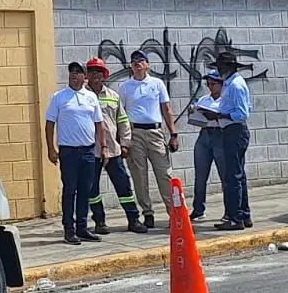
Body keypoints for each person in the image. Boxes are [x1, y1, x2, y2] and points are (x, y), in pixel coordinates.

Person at [85, 58, 146, 235]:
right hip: (91, 151)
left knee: (124, 186)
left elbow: (123, 121)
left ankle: (133, 219)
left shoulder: (113, 96)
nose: (95, 75)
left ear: (104, 75)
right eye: (92, 71)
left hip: (113, 150)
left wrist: (125, 143)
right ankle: (100, 222)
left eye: (98, 71)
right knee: (92, 189)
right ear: (87, 75)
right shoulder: (82, 97)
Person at [119, 51, 177, 229]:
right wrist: (123, 141)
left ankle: (173, 213)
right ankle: (147, 212)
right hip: (135, 132)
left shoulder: (157, 84)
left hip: (155, 132)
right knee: (139, 175)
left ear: (148, 65)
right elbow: (120, 114)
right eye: (134, 61)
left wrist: (173, 133)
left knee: (164, 173)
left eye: (141, 61)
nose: (137, 64)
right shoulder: (125, 87)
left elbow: (166, 108)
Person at [44, 62, 100, 245]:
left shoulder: (91, 97)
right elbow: (50, 123)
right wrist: (51, 149)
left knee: (86, 190)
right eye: (71, 72)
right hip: (68, 152)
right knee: (70, 190)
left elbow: (99, 124)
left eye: (78, 73)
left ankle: (82, 228)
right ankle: (69, 229)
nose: (73, 75)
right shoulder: (59, 97)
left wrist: (103, 147)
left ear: (85, 77)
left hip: (88, 150)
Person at [213, 51, 254, 231]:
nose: (219, 69)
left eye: (221, 66)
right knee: (238, 175)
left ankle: (234, 217)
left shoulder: (236, 85)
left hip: (235, 131)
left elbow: (242, 113)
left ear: (228, 67)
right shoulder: (229, 84)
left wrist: (220, 115)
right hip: (231, 130)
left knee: (233, 177)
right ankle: (244, 215)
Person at [185, 70, 227, 221]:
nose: (210, 86)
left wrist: (215, 116)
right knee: (200, 175)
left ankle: (229, 210)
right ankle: (198, 209)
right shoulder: (204, 99)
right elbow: (197, 119)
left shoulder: (226, 100)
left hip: (220, 134)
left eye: (213, 83)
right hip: (205, 134)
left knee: (225, 175)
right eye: (208, 83)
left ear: (221, 84)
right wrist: (193, 113)